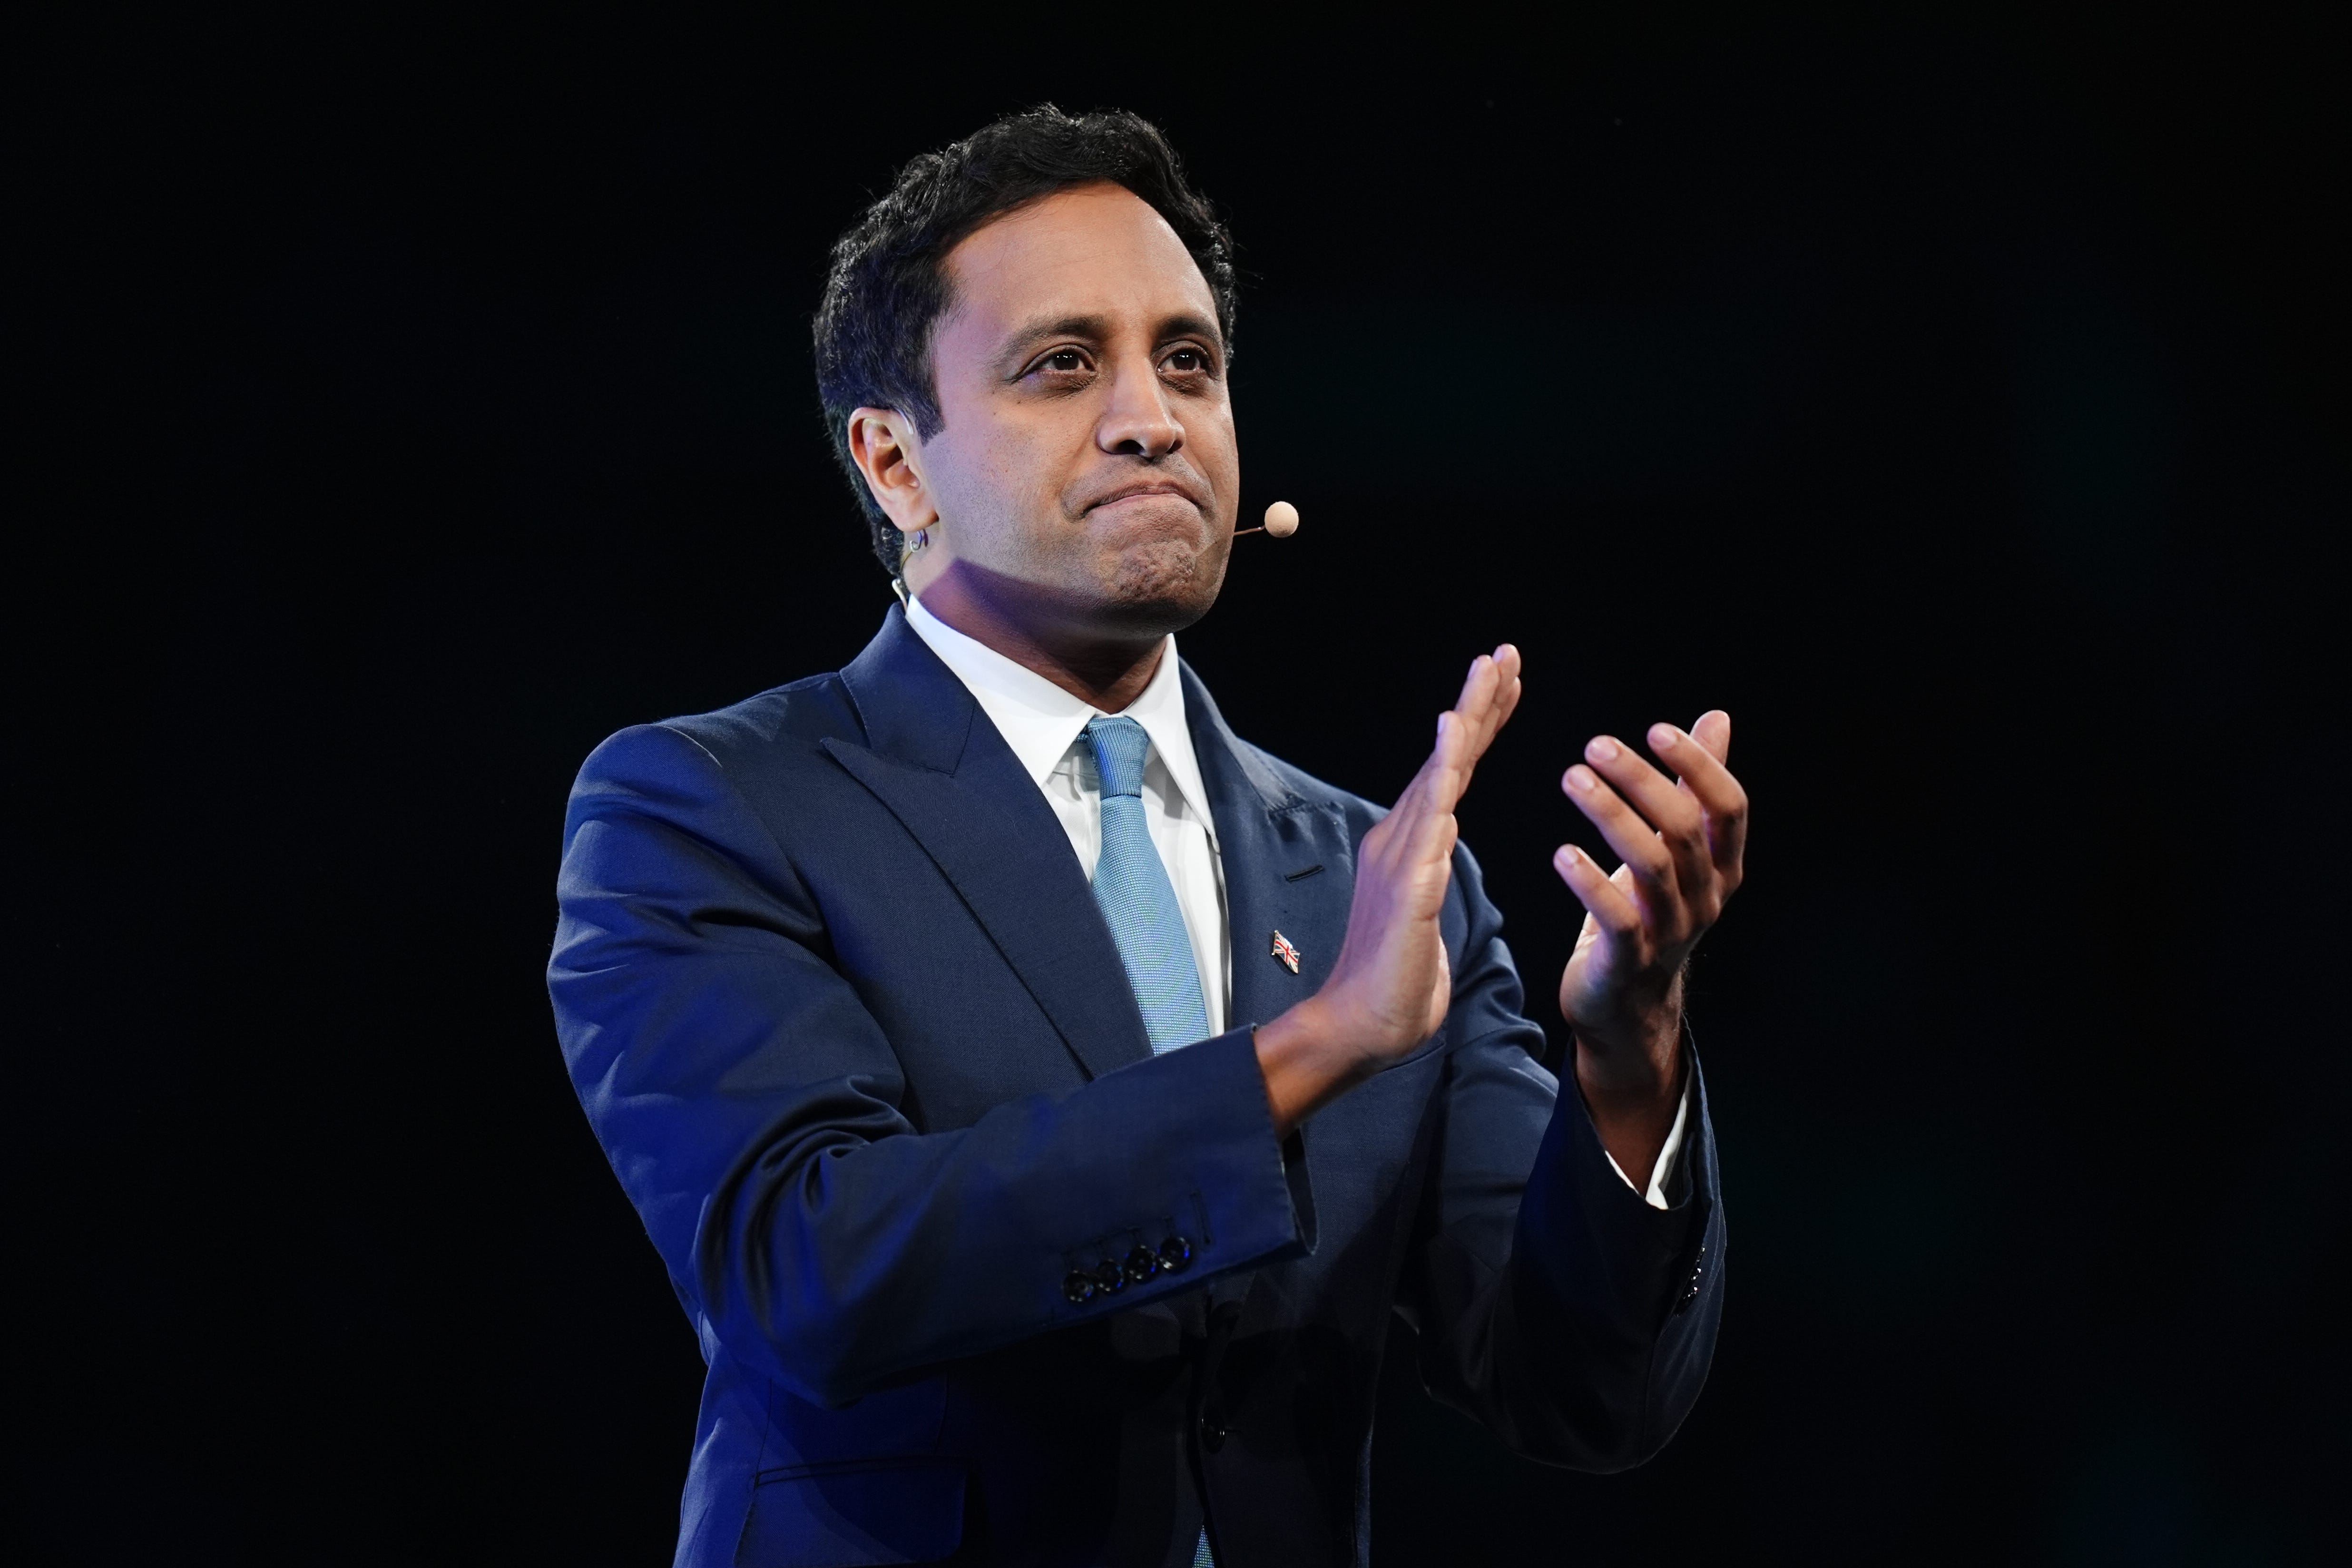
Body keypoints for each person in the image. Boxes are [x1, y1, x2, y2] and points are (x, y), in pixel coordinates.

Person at [549, 106, 1746, 1568]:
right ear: (895, 465)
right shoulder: (711, 807)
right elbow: (815, 1272)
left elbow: (1586, 1395)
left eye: (1189, 361)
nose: (1150, 415)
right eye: (1064, 366)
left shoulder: (1375, 874)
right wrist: (1314, 1051)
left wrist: (1630, 1052)